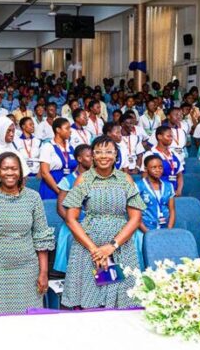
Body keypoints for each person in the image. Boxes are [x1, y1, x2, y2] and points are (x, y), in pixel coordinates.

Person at [61, 136, 146, 308]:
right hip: (88, 249)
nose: (103, 156)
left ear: (116, 155)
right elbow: (71, 219)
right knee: (90, 302)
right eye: (98, 152)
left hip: (120, 247)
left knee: (122, 302)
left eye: (108, 152)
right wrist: (96, 250)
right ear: (92, 155)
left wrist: (111, 246)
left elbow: (136, 218)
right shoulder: (84, 179)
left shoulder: (125, 179)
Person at [0, 152, 53, 314]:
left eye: (14, 168)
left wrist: (44, 273)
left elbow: (41, 238)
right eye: (5, 169)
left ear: (21, 172)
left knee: (29, 318)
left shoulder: (33, 198)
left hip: (28, 271)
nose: (10, 173)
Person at [54, 144, 92, 273]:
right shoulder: (68, 180)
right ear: (79, 159)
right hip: (73, 225)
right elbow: (60, 208)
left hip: (93, 224)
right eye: (88, 156)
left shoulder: (97, 179)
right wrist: (75, 224)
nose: (92, 159)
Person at [134, 155, 176, 269]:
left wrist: (169, 230)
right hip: (144, 230)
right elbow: (136, 215)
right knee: (147, 262)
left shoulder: (168, 186)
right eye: (154, 167)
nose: (158, 170)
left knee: (164, 261)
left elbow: (172, 210)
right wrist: (148, 233)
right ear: (146, 169)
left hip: (164, 230)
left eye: (160, 167)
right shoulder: (138, 186)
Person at [140, 126, 184, 196]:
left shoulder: (175, 154)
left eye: (172, 136)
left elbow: (180, 175)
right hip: (158, 193)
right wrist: (152, 192)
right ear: (159, 136)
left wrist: (179, 190)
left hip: (174, 193)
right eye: (168, 136)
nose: (171, 138)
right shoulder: (150, 154)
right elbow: (145, 176)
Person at [38, 117, 75, 199]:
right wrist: (59, 192)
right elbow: (44, 173)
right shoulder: (48, 146)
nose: (70, 131)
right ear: (58, 130)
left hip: (69, 188)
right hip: (51, 188)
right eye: (67, 128)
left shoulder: (70, 147)